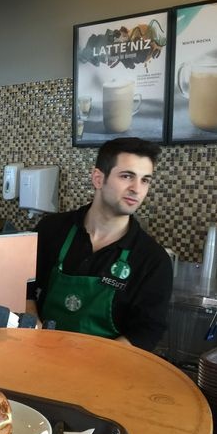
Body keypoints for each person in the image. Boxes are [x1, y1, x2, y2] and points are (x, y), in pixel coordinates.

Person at [28, 137, 173, 351]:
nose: (137, 189)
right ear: (98, 178)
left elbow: (147, 330)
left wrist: (95, 362)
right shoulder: (51, 229)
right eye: (127, 176)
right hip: (39, 353)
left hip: (107, 365)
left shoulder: (153, 260)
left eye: (145, 180)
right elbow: (24, 287)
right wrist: (34, 329)